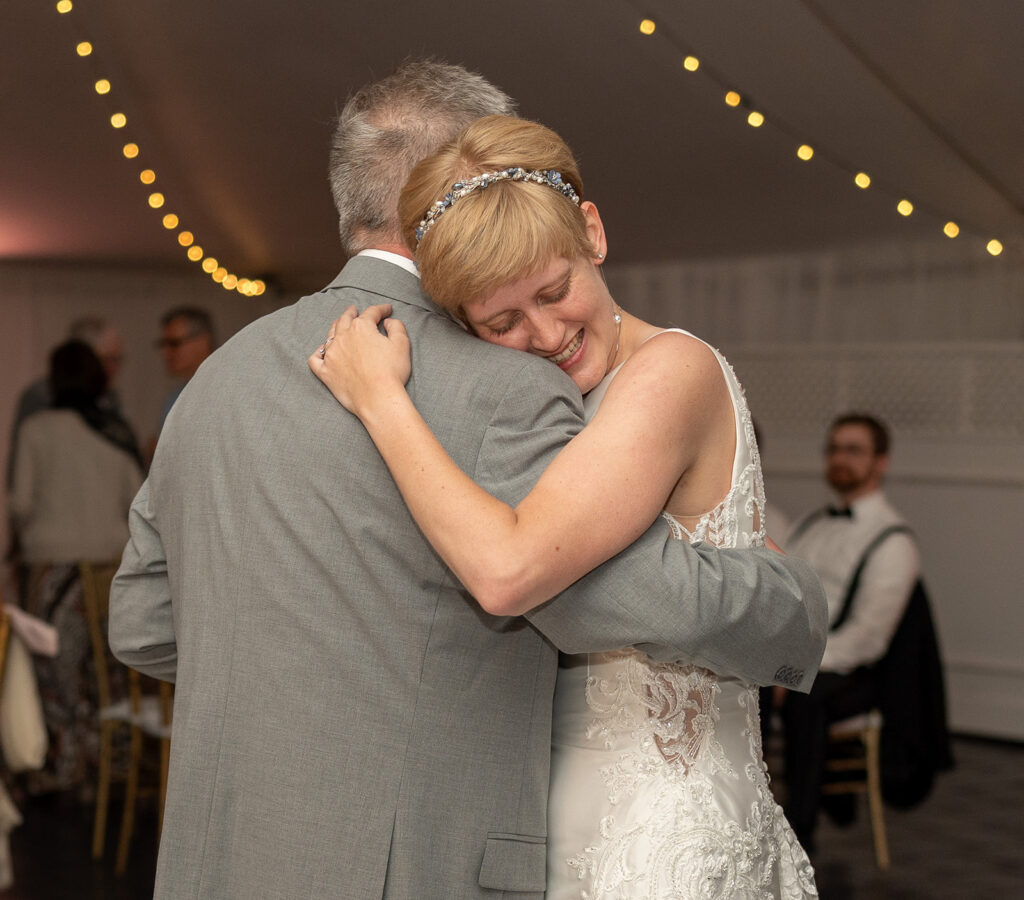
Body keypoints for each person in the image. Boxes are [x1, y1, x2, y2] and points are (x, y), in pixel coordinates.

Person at [109, 61, 825, 899]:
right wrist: (791, 602)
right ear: (461, 191)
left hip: (218, 856)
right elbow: (595, 594)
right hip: (415, 861)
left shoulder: (215, 380)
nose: (539, 328)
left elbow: (143, 622)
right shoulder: (509, 383)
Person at [311, 115, 818, 897]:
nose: (546, 333)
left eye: (555, 291)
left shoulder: (668, 372)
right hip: (545, 825)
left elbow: (509, 572)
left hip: (659, 840)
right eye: (502, 321)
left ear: (592, 231)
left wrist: (382, 402)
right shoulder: (541, 408)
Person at [779, 413, 921, 849]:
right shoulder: (809, 523)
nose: (839, 457)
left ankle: (800, 834)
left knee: (807, 698)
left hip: (855, 669)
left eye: (853, 450)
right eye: (833, 448)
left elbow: (867, 638)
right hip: (793, 653)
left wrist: (793, 669)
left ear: (881, 462)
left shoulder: (894, 540)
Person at [9, 340, 143, 793]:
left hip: (55, 571)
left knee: (55, 673)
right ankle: (109, 770)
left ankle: (64, 769)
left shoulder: (37, 429)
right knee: (108, 675)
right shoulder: (117, 431)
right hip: (112, 571)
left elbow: (22, 504)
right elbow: (141, 504)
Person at [155, 305, 215, 424]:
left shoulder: (224, 392)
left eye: (174, 343)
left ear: (203, 342)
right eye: (163, 344)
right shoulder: (175, 398)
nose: (165, 352)